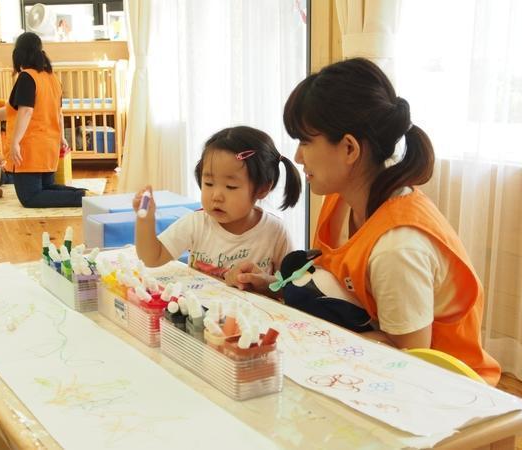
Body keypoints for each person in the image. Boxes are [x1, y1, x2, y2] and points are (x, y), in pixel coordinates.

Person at [228, 58, 500, 385]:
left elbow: (409, 364)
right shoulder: (342, 198)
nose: (298, 157)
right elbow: (341, 286)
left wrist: (317, 341)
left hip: (446, 393)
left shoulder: (398, 247)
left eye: (305, 141)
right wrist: (273, 288)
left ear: (349, 148)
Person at [133, 125, 302, 278]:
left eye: (230, 186)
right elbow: (152, 258)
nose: (216, 196)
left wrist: (265, 283)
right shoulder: (196, 224)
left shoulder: (275, 232)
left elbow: (291, 283)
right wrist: (145, 220)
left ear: (263, 189)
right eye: (209, 183)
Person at [0, 32, 86, 207]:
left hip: (30, 148)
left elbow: (26, 111)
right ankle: (84, 195)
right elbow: (16, 110)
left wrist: (15, 142)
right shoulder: (52, 78)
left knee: (30, 197)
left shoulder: (27, 77)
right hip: (48, 146)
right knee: (47, 187)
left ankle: (80, 198)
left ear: (19, 54)